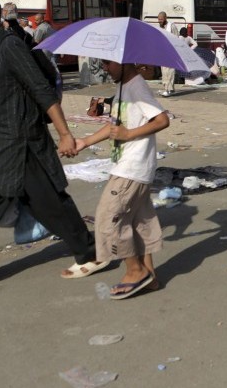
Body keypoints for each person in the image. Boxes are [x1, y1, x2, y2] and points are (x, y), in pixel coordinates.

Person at [0, 0, 106, 288]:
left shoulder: (11, 45)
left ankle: (91, 253)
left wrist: (65, 134)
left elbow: (42, 90)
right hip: (1, 139)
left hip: (23, 141)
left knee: (49, 202)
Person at [74, 59, 170, 299]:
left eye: (109, 63)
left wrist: (129, 134)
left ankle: (134, 271)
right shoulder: (122, 87)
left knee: (109, 218)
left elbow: (162, 120)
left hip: (132, 168)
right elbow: (114, 125)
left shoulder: (137, 87)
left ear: (125, 62)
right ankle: (149, 276)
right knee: (139, 222)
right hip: (127, 166)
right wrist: (85, 142)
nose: (106, 68)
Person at [153, 11, 179, 96]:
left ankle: (169, 89)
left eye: (161, 19)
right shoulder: (160, 27)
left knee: (170, 71)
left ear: (165, 18)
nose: (159, 21)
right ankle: (167, 88)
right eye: (158, 19)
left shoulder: (171, 26)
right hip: (163, 52)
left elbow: (176, 38)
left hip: (171, 51)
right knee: (164, 71)